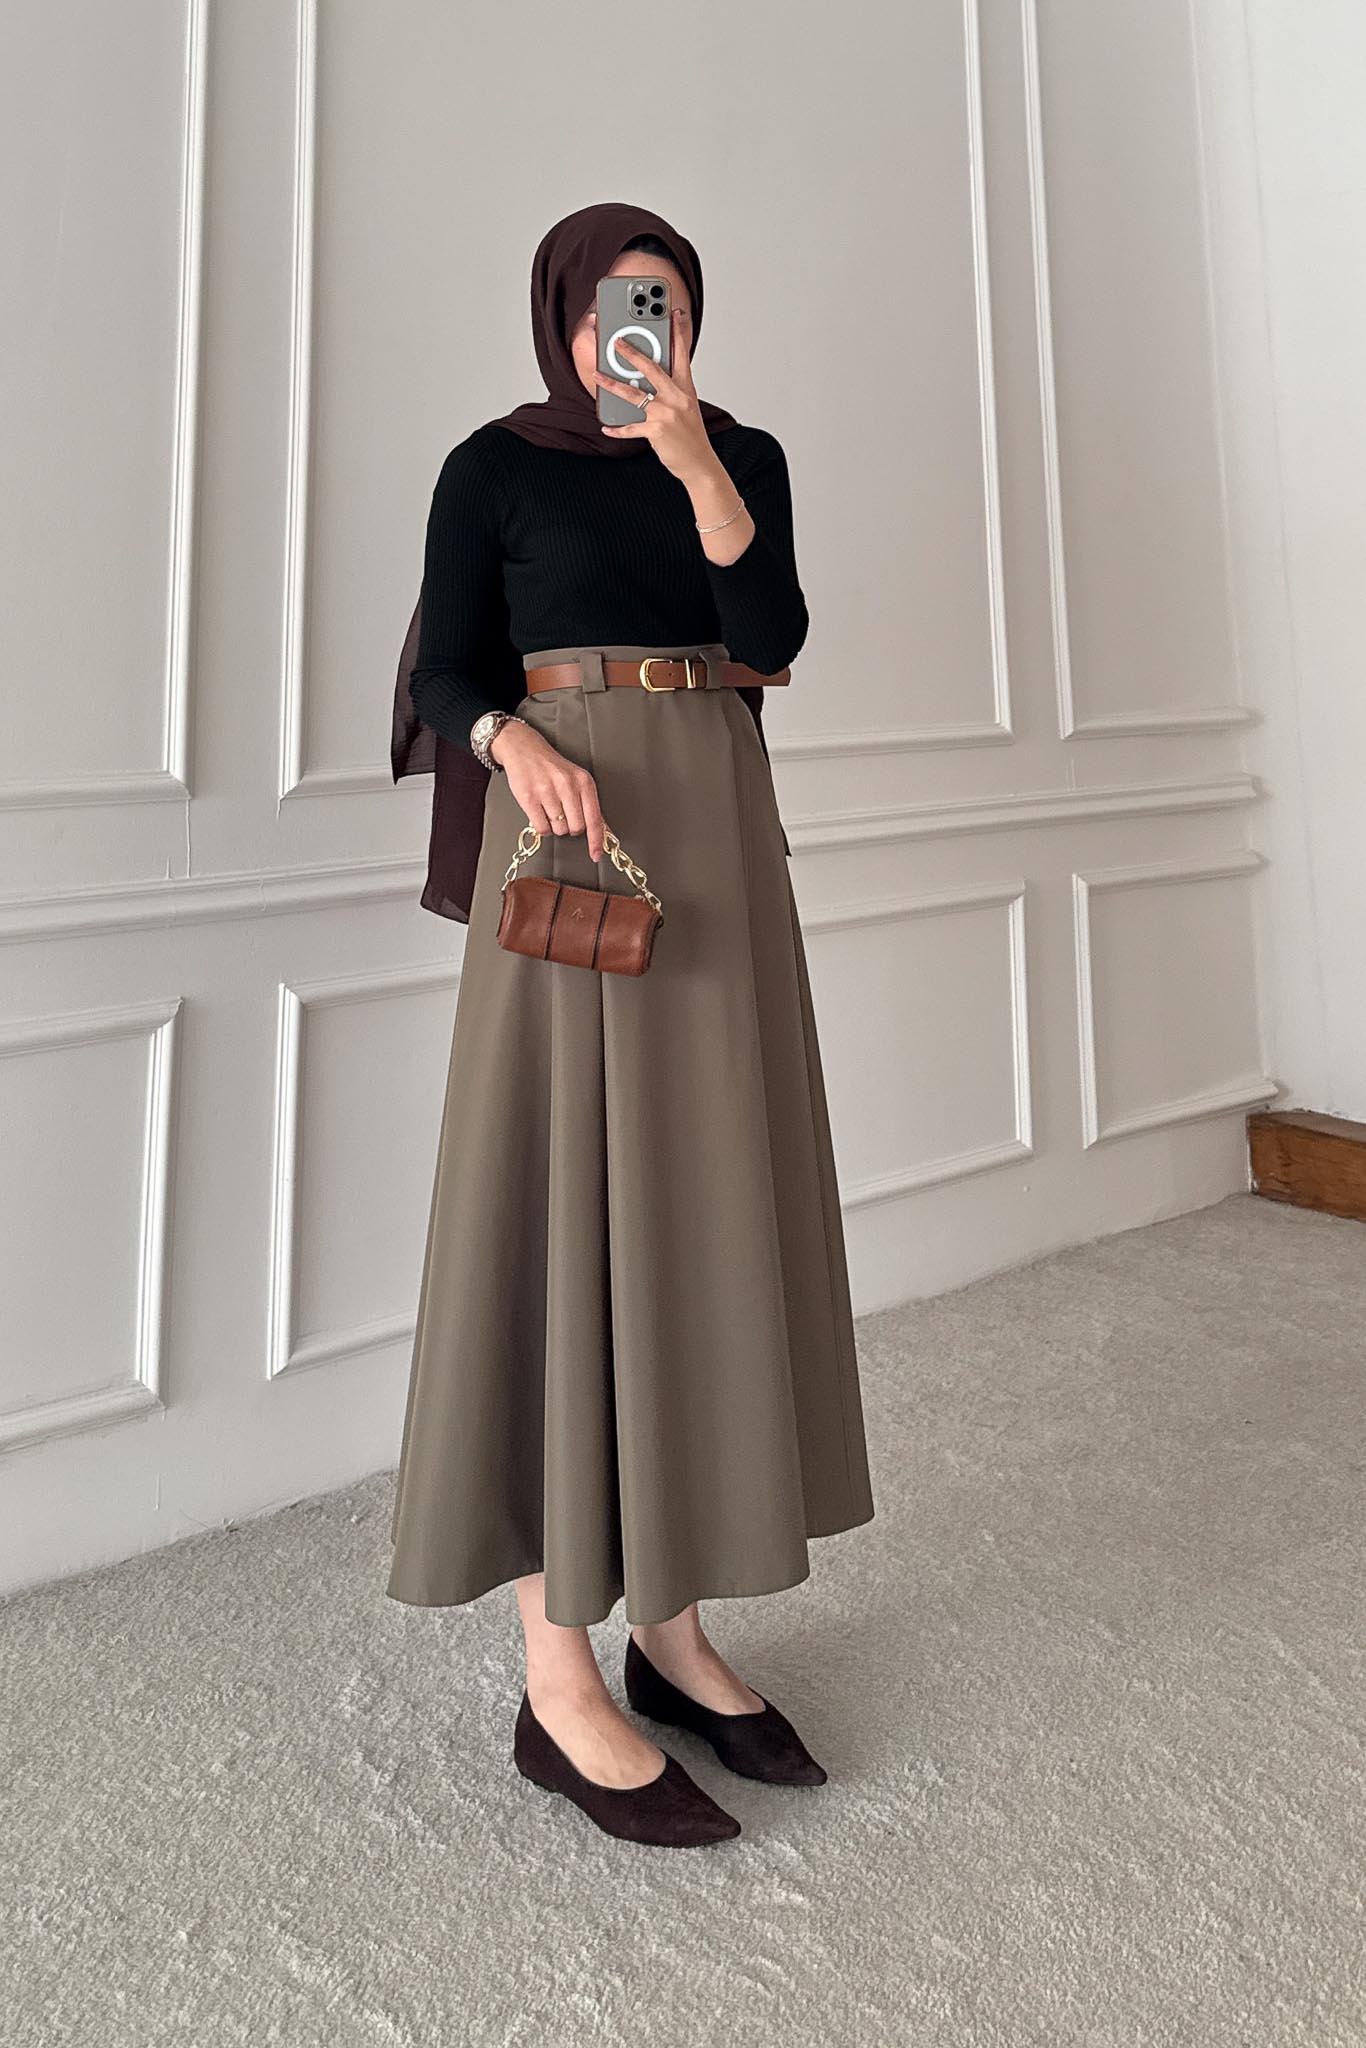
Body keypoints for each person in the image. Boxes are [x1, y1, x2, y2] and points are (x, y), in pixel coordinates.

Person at [386, 201, 875, 1848]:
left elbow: (772, 642)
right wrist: (510, 742)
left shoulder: (739, 456)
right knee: (563, 1223)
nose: (636, 326)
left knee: (696, 1216)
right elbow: (445, 668)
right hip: (570, 843)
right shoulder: (492, 466)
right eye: (611, 301)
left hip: (714, 835)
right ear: (562, 317)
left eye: (663, 298)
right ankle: (556, 1676)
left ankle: (670, 1633)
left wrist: (694, 465)